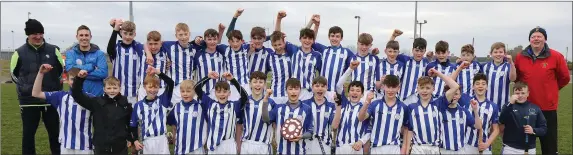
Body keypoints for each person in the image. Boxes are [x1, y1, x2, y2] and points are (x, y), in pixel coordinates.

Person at [514, 26, 570, 155]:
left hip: (547, 108)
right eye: (533, 36)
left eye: (539, 36)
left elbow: (565, 78)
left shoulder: (556, 56)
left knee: (549, 146)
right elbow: (516, 78)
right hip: (526, 107)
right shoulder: (520, 57)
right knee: (524, 146)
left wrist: (552, 90)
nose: (536, 38)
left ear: (545, 39)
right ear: (530, 40)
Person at [11, 18, 63, 155]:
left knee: (56, 135)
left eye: (41, 33)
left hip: (50, 99)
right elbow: (14, 75)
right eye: (35, 33)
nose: (38, 36)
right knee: (28, 135)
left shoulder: (54, 50)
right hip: (29, 101)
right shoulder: (19, 52)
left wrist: (52, 88)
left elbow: (61, 71)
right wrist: (28, 89)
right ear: (28, 35)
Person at [31, 66, 93, 154]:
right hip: (66, 145)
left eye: (77, 78)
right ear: (66, 80)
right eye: (72, 79)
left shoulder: (90, 98)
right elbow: (36, 93)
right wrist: (41, 73)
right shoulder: (60, 96)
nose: (74, 81)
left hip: (84, 145)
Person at [72, 71, 135, 154]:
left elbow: (129, 123)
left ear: (120, 88)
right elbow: (77, 96)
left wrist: (131, 139)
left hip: (120, 145)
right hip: (101, 145)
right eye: (109, 88)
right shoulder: (96, 102)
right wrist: (79, 79)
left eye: (115, 88)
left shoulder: (125, 103)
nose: (112, 90)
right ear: (104, 89)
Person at [428, 67, 482, 154]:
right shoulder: (440, 108)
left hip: (460, 151)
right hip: (443, 150)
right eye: (452, 93)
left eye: (456, 94)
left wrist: (475, 111)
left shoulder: (464, 111)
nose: (454, 96)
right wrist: (437, 73)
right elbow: (452, 85)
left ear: (460, 95)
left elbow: (478, 126)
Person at [195, 71, 248, 154]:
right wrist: (208, 77)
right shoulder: (209, 104)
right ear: (215, 93)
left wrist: (233, 80)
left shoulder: (234, 106)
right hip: (213, 145)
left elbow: (245, 97)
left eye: (224, 91)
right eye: (218, 92)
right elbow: (196, 89)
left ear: (229, 93)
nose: (222, 94)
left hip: (229, 144)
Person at [275, 10, 322, 101]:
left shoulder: (317, 55)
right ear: (300, 39)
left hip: (308, 93)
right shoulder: (294, 50)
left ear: (313, 40)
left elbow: (320, 75)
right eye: (304, 38)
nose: (307, 41)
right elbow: (277, 37)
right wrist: (279, 19)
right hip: (294, 90)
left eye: (310, 39)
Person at [358, 74, 409, 154]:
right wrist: (367, 102)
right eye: (388, 87)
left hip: (394, 148)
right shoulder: (375, 104)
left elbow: (406, 128)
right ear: (383, 86)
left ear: (398, 88)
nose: (390, 90)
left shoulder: (403, 107)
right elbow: (361, 118)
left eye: (393, 87)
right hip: (376, 148)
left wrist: (404, 147)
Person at [261, 78, 314, 155]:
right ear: (286, 91)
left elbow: (310, 132)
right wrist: (265, 99)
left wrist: (301, 136)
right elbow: (265, 119)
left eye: (296, 89)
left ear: (300, 90)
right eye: (290, 89)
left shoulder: (307, 109)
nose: (293, 91)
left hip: (300, 152)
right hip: (281, 152)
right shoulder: (279, 108)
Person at [130, 66, 174, 154]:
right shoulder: (138, 105)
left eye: (156, 87)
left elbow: (171, 83)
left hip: (161, 139)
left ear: (159, 87)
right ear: (144, 87)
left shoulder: (162, 100)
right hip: (147, 141)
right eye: (150, 87)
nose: (153, 90)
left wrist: (158, 72)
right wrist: (135, 140)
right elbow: (133, 125)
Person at [332, 61, 371, 154]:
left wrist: (361, 141)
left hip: (356, 147)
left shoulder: (365, 108)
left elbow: (370, 129)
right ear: (348, 93)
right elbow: (338, 85)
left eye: (358, 91)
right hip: (341, 147)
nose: (354, 92)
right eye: (352, 90)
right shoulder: (344, 103)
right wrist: (350, 69)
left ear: (362, 95)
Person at [312, 23, 356, 103]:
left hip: (337, 92)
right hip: (322, 91)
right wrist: (316, 26)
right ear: (329, 37)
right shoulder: (324, 50)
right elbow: (312, 41)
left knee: (338, 114)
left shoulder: (346, 52)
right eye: (332, 36)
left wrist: (372, 54)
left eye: (337, 36)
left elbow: (358, 59)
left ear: (341, 38)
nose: (334, 39)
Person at [499, 82, 547, 154]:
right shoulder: (508, 106)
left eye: (523, 93)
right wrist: (510, 104)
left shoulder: (535, 108)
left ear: (528, 93)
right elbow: (501, 120)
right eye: (517, 93)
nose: (520, 95)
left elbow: (544, 129)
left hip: (529, 149)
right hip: (510, 148)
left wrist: (533, 130)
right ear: (513, 94)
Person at [107, 19, 144, 104]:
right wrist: (115, 29)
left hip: (134, 92)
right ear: (121, 33)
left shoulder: (138, 48)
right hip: (117, 92)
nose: (127, 36)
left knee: (133, 116)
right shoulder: (116, 48)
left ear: (135, 34)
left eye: (131, 34)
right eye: (125, 33)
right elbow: (109, 49)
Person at [166, 80, 208, 154]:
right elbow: (174, 126)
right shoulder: (177, 107)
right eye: (183, 91)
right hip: (180, 147)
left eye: (188, 91)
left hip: (197, 147)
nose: (185, 94)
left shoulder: (200, 107)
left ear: (194, 92)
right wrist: (174, 139)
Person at [65, 25, 108, 96]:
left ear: (90, 37)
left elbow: (103, 73)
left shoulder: (99, 54)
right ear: (77, 37)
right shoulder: (70, 53)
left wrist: (79, 72)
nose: (84, 38)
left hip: (96, 96)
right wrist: (91, 67)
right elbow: (71, 70)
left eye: (86, 35)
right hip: (77, 95)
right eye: (81, 35)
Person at [239, 71, 276, 154]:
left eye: (261, 82)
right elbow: (239, 124)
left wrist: (265, 99)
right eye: (255, 82)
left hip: (263, 146)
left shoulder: (272, 103)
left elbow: (267, 120)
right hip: (246, 144)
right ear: (250, 84)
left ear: (265, 85)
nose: (258, 85)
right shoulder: (244, 102)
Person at [302, 76, 336, 154]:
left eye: (322, 86)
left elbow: (334, 126)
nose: (320, 88)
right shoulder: (304, 104)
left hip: (324, 144)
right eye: (317, 86)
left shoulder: (331, 106)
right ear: (312, 87)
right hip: (307, 143)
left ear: (326, 88)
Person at [482, 42, 517, 113]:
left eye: (501, 52)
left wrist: (512, 63)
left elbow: (513, 79)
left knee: (501, 123)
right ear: (491, 53)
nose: (498, 54)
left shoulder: (508, 66)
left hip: (503, 104)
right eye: (495, 52)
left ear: (505, 54)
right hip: (487, 104)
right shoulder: (485, 66)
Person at [137, 31, 170, 101]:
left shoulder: (165, 51)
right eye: (151, 44)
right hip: (144, 89)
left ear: (160, 44)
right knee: (142, 110)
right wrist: (148, 53)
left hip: (161, 88)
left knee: (160, 111)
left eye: (156, 44)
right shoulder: (142, 51)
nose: (153, 47)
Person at [348, 33, 379, 102]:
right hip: (354, 94)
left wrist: (374, 91)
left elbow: (377, 79)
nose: (364, 47)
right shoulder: (351, 59)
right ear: (358, 44)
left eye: (367, 45)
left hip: (369, 94)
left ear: (370, 45)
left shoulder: (375, 59)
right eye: (362, 44)